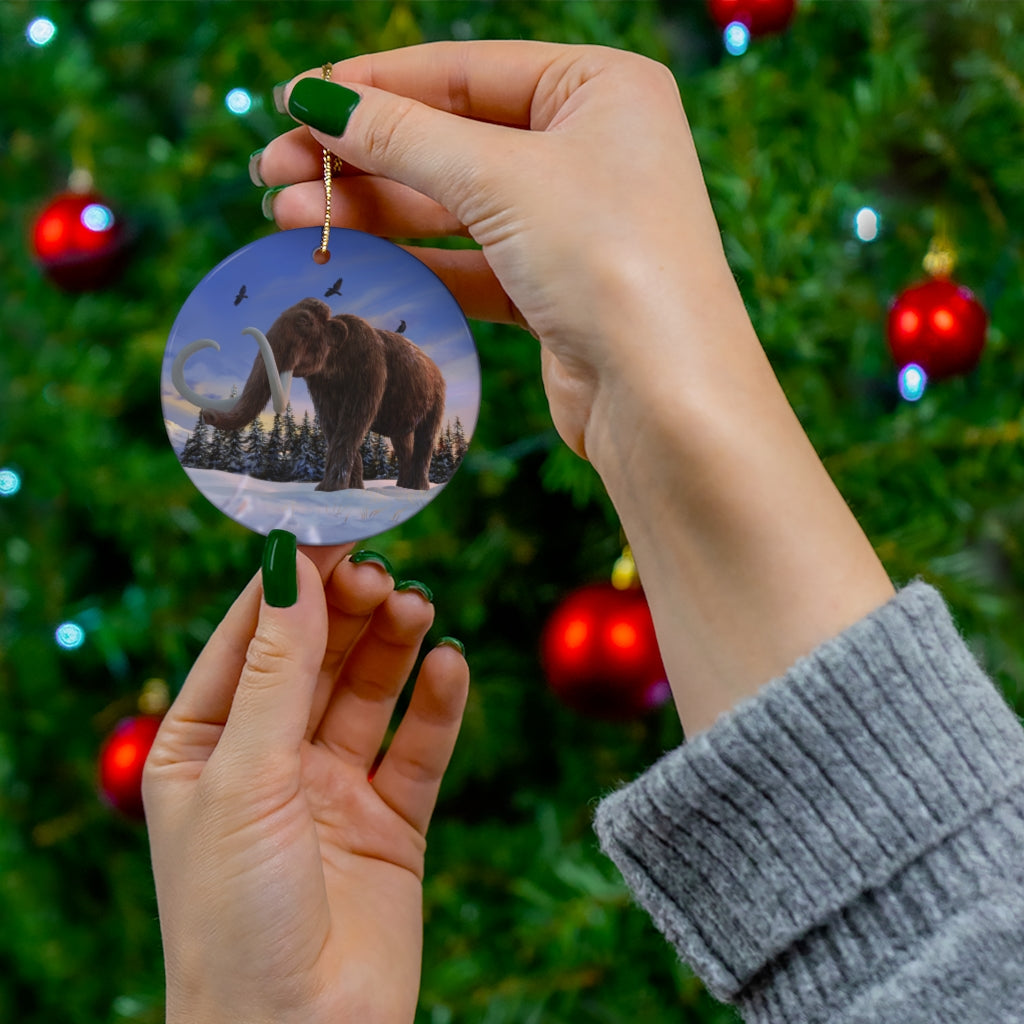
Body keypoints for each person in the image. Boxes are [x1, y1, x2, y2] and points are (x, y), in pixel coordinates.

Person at [143, 41, 1024, 1024]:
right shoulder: (315, 352)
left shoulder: (361, 351)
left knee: (375, 438)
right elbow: (947, 945)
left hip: (408, 395)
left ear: (320, 341)